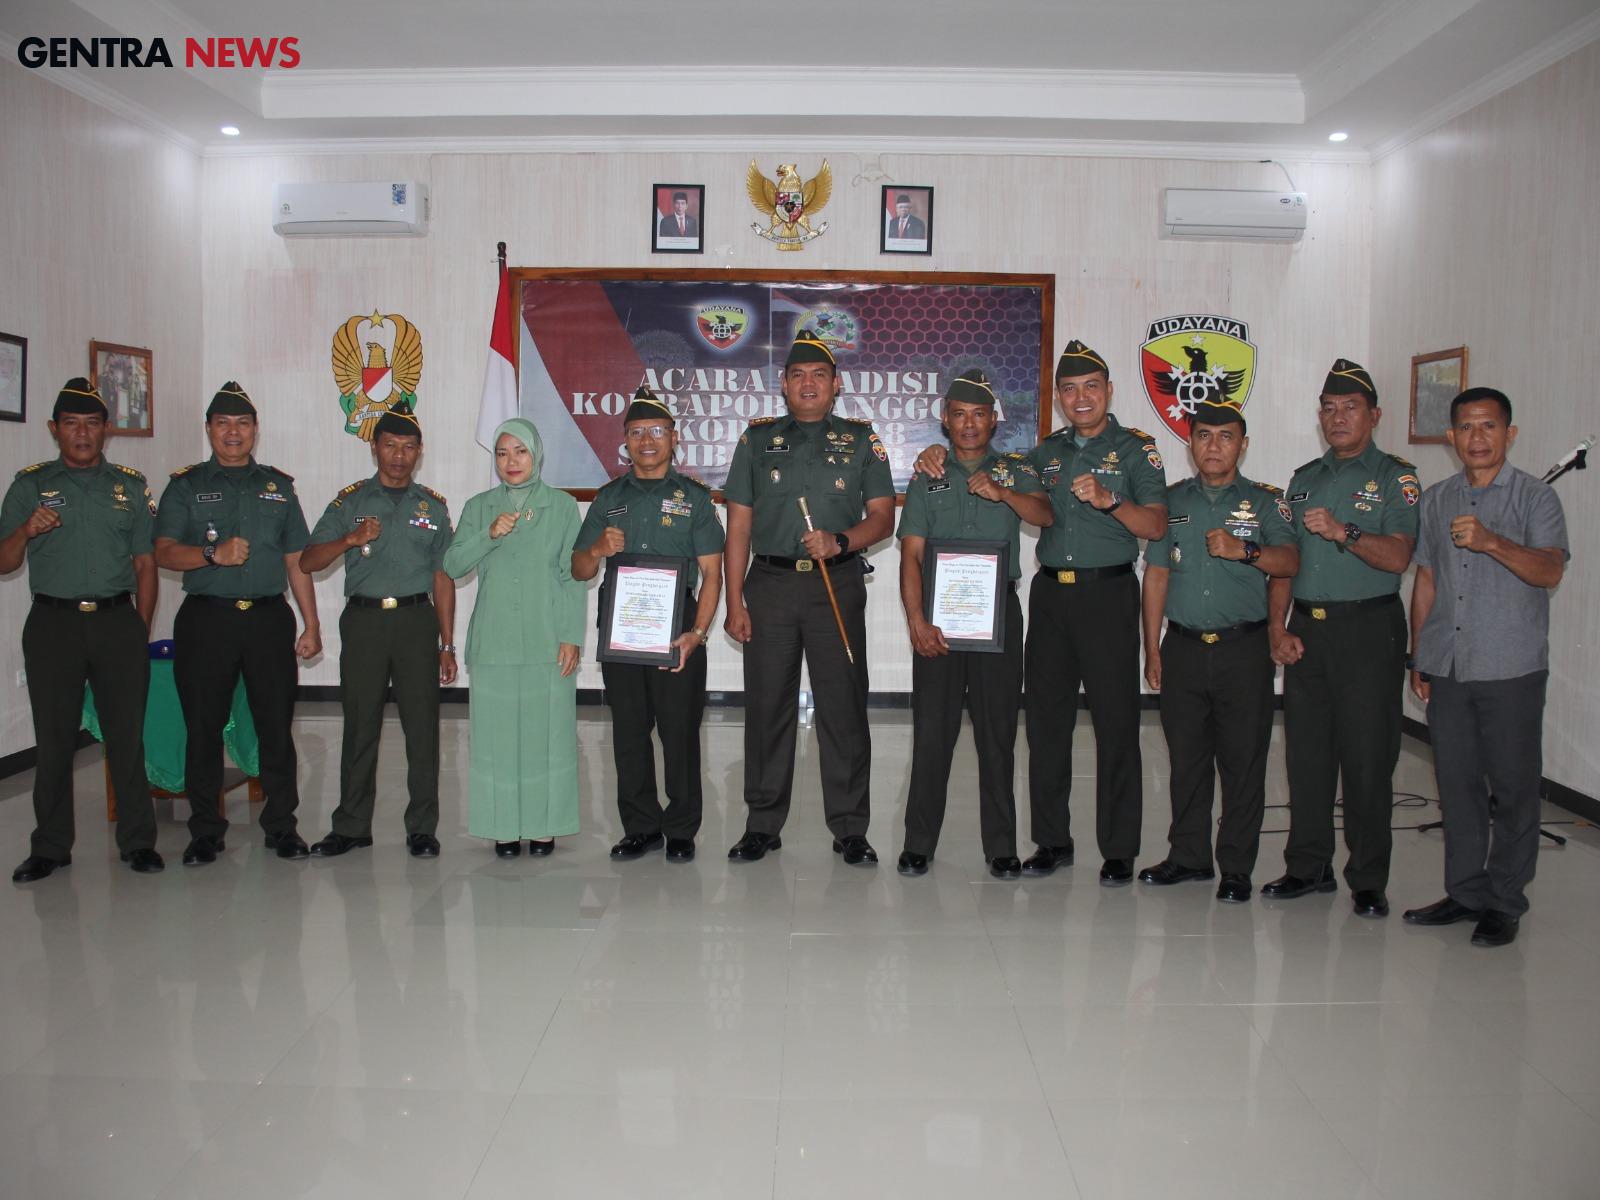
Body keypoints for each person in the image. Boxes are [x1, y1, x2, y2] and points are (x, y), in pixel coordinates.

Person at [913, 339, 1168, 885]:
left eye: (1091, 387)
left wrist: (1111, 500)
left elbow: (1155, 526)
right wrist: (931, 451)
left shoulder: (1136, 450)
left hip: (1108, 594)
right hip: (1051, 596)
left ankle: (1119, 848)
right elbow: (983, 464)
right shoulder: (1044, 453)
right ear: (1058, 397)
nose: (1081, 398)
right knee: (1046, 725)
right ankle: (1052, 841)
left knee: (1116, 723)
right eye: (1069, 389)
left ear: (1108, 391)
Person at [722, 330, 896, 865]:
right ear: (783, 384)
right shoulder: (757, 441)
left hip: (834, 586)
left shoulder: (862, 441)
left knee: (843, 708)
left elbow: (883, 518)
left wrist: (840, 541)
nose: (808, 383)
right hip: (770, 587)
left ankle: (850, 828)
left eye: (819, 374)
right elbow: (738, 527)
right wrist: (734, 602)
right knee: (767, 707)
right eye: (797, 374)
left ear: (836, 385)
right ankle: (762, 823)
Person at [1403, 387, 1568, 947]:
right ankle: (1466, 892)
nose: (1477, 438)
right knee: (1457, 785)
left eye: (1489, 426)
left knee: (1514, 788)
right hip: (1449, 665)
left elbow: (1549, 571)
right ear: (1451, 437)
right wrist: (1420, 654)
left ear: (1509, 434)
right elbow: (1427, 579)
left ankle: (1505, 901)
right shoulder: (1437, 499)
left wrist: (1494, 542)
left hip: (1510, 667)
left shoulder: (1536, 498)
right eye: (1467, 428)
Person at [1264, 358, 1419, 917]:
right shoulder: (1304, 480)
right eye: (1329, 409)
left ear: (1374, 415)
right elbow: (1287, 562)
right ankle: (1308, 866)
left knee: (1367, 757)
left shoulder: (1395, 477)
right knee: (1306, 755)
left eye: (1350, 408)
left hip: (1369, 629)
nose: (1338, 418)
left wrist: (1344, 531)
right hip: (1309, 630)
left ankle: (1369, 878)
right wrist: (1277, 626)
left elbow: (1398, 556)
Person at [1, 378, 162, 881]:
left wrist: (138, 629)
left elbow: (146, 564)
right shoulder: (29, 486)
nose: (83, 433)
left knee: (126, 737)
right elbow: (4, 562)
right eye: (71, 424)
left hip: (117, 622)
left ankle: (138, 841)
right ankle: (50, 846)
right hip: (54, 625)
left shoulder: (130, 487)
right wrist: (25, 530)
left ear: (105, 429)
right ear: (54, 429)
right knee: (53, 741)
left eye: (92, 423)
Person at [895, 369, 1053, 879]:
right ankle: (918, 843)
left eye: (978, 415)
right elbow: (911, 556)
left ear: (993, 421)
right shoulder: (928, 475)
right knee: (932, 734)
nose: (968, 424)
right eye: (960, 415)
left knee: (997, 734)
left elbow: (1045, 515)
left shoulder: (1015, 470)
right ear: (945, 420)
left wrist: (1004, 494)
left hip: (997, 618)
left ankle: (1002, 846)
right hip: (939, 619)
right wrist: (916, 621)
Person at [155, 382, 321, 866]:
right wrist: (213, 554)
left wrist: (311, 624)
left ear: (255, 430)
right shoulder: (184, 486)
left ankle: (282, 826)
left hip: (268, 619)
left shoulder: (278, 487)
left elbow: (297, 560)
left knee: (275, 726)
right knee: (203, 727)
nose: (233, 432)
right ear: (209, 429)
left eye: (242, 423)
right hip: (207, 620)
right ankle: (206, 830)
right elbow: (164, 552)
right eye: (224, 423)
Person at [1138, 401, 1298, 903]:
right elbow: (1157, 575)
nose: (1214, 446)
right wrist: (1152, 648)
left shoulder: (1266, 503)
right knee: (1186, 760)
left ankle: (1236, 866)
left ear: (1242, 445)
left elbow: (1289, 562)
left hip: (1243, 650)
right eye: (1204, 436)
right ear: (1191, 443)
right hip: (1183, 647)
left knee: (1242, 762)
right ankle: (1188, 856)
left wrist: (1244, 549)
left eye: (1225, 437)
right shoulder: (1170, 502)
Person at [298, 401, 456, 860]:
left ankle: (422, 828)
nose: (399, 456)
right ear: (374, 448)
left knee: (422, 730)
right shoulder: (349, 503)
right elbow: (308, 561)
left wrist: (446, 644)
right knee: (360, 725)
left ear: (419, 452)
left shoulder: (432, 506)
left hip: (416, 622)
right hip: (365, 622)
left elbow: (443, 578)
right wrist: (349, 539)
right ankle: (351, 826)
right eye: (390, 446)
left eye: (408, 447)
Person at [573, 388, 724, 863]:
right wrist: (596, 549)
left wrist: (697, 635)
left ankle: (680, 829)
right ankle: (640, 827)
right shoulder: (609, 498)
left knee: (679, 732)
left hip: (678, 627)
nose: (647, 440)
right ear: (625, 441)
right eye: (636, 432)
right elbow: (579, 568)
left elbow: (713, 573)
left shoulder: (694, 498)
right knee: (629, 732)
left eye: (656, 431)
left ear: (674, 438)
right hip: (622, 629)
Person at [444, 418, 583, 858]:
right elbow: (452, 566)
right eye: (502, 453)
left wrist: (571, 635)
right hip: (495, 640)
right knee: (496, 739)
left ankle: (544, 827)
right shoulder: (479, 507)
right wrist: (487, 535)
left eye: (520, 451)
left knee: (548, 738)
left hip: (548, 638)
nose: (511, 462)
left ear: (536, 454)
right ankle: (502, 826)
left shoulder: (562, 507)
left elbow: (572, 576)